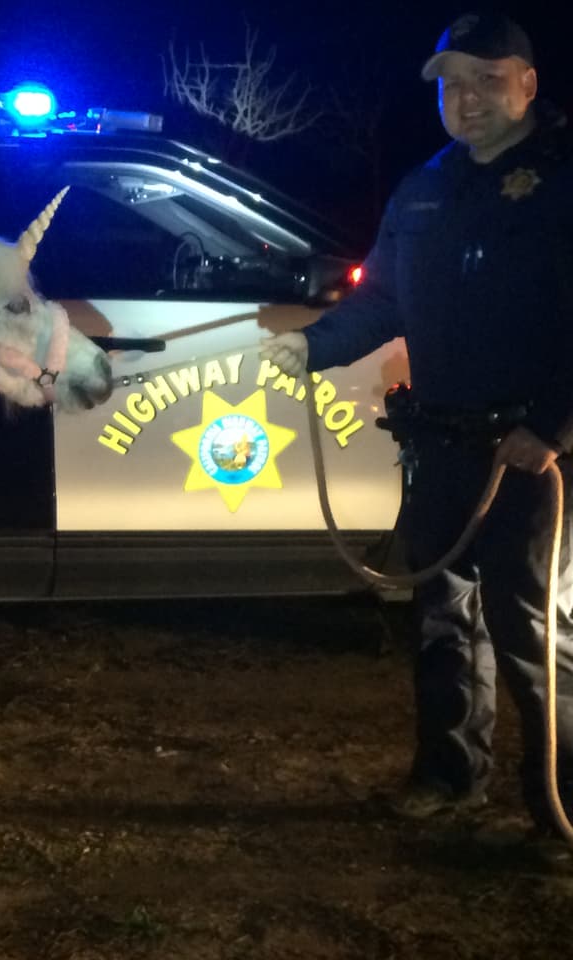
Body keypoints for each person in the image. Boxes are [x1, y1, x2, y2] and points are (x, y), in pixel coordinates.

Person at [261, 11, 573, 861]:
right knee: (442, 617)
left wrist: (550, 425)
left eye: (484, 78)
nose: (464, 98)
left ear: (528, 84)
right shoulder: (425, 186)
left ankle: (560, 807)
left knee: (537, 632)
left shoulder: (563, 176)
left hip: (533, 457)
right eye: (450, 83)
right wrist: (311, 347)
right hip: (439, 445)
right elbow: (384, 300)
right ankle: (449, 774)